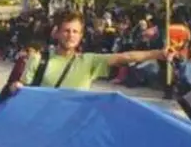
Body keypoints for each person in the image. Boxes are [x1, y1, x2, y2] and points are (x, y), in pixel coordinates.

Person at [20, 10, 172, 90]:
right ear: (57, 33)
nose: (70, 35)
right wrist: (16, 88)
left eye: (75, 31)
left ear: (81, 36)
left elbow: (125, 56)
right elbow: (23, 93)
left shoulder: (88, 61)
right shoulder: (39, 59)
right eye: (66, 31)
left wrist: (158, 54)